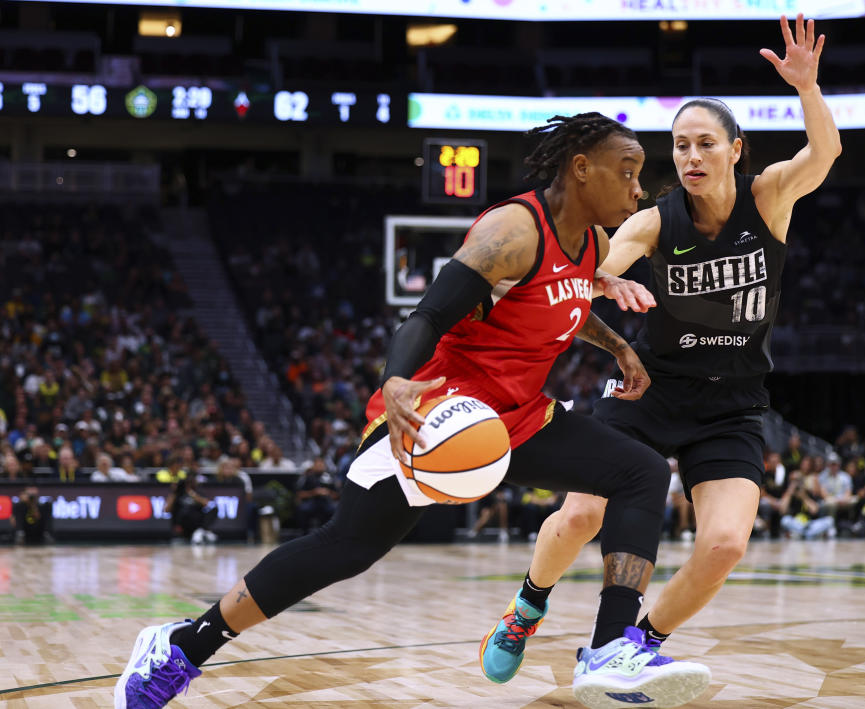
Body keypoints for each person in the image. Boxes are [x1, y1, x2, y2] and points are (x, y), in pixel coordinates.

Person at [115, 112, 711, 709]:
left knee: (641, 471)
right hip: (440, 415)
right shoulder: (513, 230)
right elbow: (427, 315)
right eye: (627, 172)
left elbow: (564, 305)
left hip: (519, 419)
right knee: (344, 549)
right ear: (581, 169)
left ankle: (610, 649)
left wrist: (621, 347)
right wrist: (397, 380)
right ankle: (184, 646)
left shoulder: (596, 243)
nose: (638, 188)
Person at [483, 13, 841, 677]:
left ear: (736, 150)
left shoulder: (767, 201)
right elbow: (602, 262)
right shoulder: (655, 220)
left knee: (727, 543)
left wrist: (807, 90)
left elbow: (822, 156)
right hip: (651, 390)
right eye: (680, 145)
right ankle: (526, 606)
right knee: (580, 514)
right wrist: (603, 276)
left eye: (705, 143)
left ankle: (632, 643)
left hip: (732, 402)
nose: (691, 156)